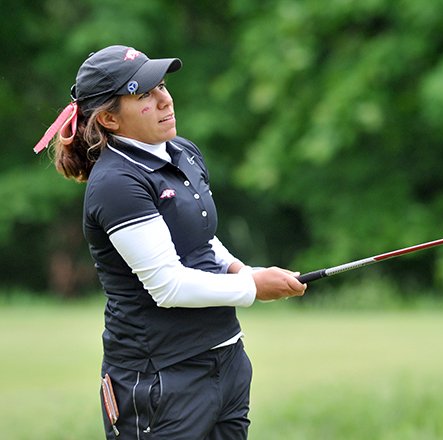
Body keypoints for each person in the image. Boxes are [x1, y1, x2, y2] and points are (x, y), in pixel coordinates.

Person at [34, 45, 307, 440]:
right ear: (109, 118)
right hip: (159, 380)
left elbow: (199, 238)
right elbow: (168, 284)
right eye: (143, 94)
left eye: (161, 85)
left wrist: (242, 270)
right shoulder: (116, 184)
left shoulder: (183, 152)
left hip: (225, 359)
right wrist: (252, 288)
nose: (164, 99)